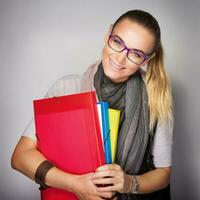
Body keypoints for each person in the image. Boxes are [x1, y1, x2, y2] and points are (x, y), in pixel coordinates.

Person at [11, 9, 173, 200]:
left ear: (147, 60)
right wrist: (74, 185)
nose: (120, 58)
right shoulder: (67, 88)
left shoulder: (157, 96)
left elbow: (164, 173)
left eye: (136, 54)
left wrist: (129, 183)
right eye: (117, 42)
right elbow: (20, 157)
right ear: (108, 35)